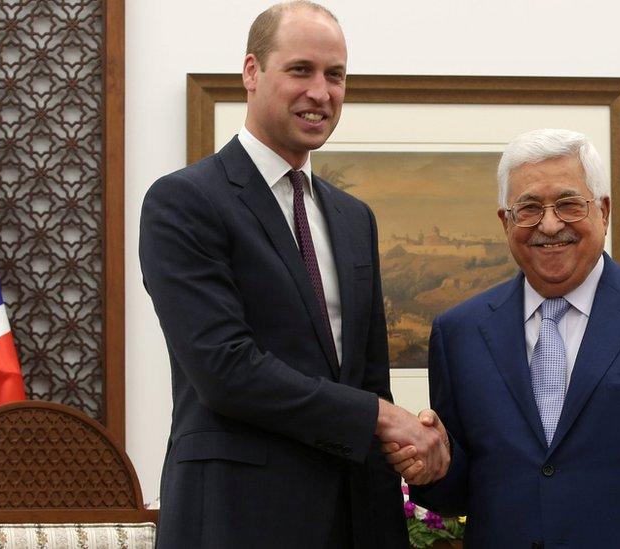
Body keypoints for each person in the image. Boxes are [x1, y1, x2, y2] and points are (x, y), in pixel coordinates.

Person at [139, 2, 447, 547]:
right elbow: (224, 370)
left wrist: (412, 444)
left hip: (356, 520)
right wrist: (380, 417)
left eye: (336, 75)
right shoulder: (184, 201)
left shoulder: (355, 219)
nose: (322, 92)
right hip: (237, 520)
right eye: (301, 70)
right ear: (252, 73)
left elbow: (369, 379)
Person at [404, 129, 620, 547]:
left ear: (603, 212)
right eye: (529, 208)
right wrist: (435, 465)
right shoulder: (458, 332)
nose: (550, 224)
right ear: (506, 221)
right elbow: (459, 493)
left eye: (569, 204)